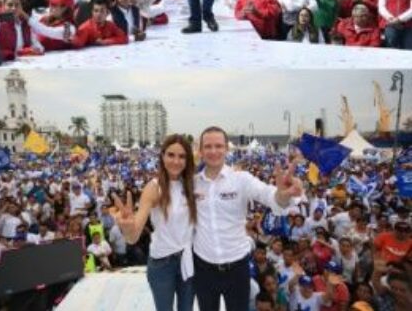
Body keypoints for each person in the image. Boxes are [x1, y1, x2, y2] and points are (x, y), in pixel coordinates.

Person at [192, 126, 303, 311]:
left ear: (227, 149)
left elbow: (270, 196)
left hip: (237, 268)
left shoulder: (241, 179)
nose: (213, 151)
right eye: (208, 146)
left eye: (218, 146)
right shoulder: (192, 183)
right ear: (201, 150)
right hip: (204, 269)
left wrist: (283, 195)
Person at [114, 134, 198, 311]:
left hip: (188, 260)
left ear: (188, 159)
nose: (176, 161)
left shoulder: (191, 184)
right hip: (162, 264)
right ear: (162, 156)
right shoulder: (154, 188)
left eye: (181, 156)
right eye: (171, 155)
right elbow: (133, 237)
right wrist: (128, 226)